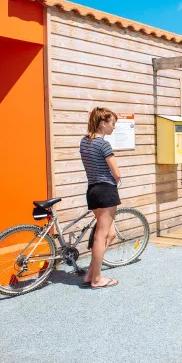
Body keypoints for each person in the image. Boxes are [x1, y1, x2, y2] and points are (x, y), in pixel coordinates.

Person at [80, 107, 121, 289]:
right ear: (103, 123)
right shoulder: (103, 145)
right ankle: (97, 279)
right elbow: (116, 172)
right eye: (112, 123)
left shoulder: (84, 142)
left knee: (110, 233)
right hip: (106, 190)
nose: (114, 127)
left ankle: (91, 271)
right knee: (101, 235)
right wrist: (118, 179)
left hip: (92, 190)